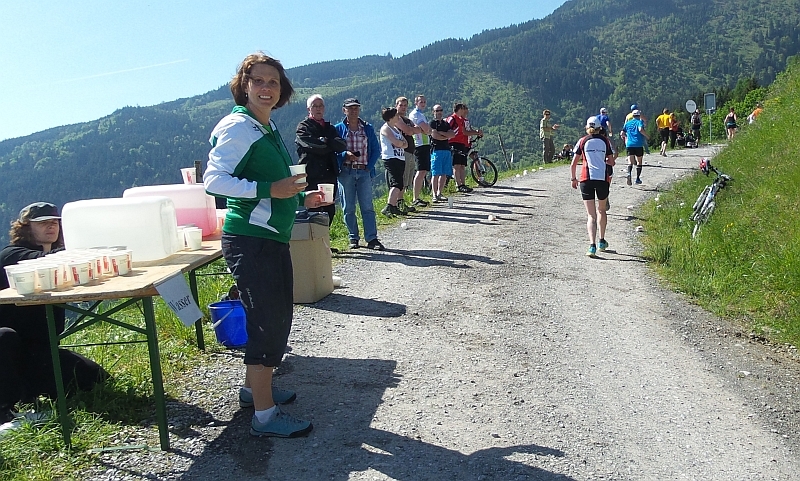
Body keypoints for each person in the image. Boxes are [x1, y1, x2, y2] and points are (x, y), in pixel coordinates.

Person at [204, 52, 329, 438]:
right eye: (257, 80)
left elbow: (273, 187)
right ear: (243, 85)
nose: (265, 88)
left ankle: (251, 391)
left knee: (273, 318)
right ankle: (264, 416)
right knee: (268, 323)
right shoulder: (238, 126)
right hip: (251, 240)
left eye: (273, 82)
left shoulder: (265, 127)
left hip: (269, 237)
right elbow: (213, 180)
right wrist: (268, 189)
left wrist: (297, 199)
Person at [0, 202, 107, 423]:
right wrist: (83, 247)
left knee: (95, 378)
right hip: (9, 351)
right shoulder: (11, 256)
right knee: (5, 337)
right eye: (43, 223)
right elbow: (42, 262)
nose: (51, 227)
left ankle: (28, 392)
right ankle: (5, 412)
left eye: (55, 222)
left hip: (39, 350)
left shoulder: (58, 260)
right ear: (26, 227)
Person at [334, 98, 384, 250]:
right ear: (344, 110)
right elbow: (333, 151)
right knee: (348, 207)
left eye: (356, 108)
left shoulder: (367, 128)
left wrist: (369, 167)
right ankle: (353, 237)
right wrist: (344, 155)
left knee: (367, 206)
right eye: (350, 108)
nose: (354, 110)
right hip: (346, 171)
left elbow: (376, 150)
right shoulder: (338, 129)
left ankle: (372, 238)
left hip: (363, 171)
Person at [295, 94, 347, 228]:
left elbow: (342, 145)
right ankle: (313, 244)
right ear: (309, 109)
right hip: (311, 175)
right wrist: (330, 145)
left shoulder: (330, 128)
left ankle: (324, 242)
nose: (318, 109)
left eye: (321, 106)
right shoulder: (303, 127)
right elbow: (312, 147)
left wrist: (325, 141)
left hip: (329, 173)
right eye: (315, 106)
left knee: (329, 209)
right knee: (313, 209)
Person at [571, 118, 615, 258]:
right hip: (602, 179)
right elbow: (612, 162)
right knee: (601, 210)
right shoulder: (605, 141)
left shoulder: (582, 141)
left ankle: (592, 246)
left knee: (591, 215)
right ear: (599, 128)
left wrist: (573, 178)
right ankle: (602, 241)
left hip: (585, 179)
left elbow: (573, 163)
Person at [379, 107, 409, 217]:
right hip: (391, 158)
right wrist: (400, 143)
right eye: (396, 115)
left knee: (400, 183)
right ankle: (389, 206)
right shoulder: (385, 128)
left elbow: (405, 143)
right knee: (396, 183)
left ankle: (394, 206)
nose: (398, 116)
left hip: (400, 158)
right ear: (391, 117)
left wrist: (400, 143)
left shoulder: (395, 129)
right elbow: (397, 142)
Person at [447, 103, 483, 192]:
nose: (466, 110)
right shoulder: (452, 118)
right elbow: (447, 129)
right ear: (460, 109)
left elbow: (464, 131)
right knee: (457, 165)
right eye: (464, 109)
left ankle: (463, 184)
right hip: (454, 143)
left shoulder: (461, 120)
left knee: (462, 165)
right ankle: (458, 185)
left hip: (462, 143)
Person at [394, 97, 421, 212]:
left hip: (410, 151)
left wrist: (411, 129)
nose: (403, 107)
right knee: (402, 178)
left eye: (405, 105)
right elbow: (411, 131)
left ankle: (401, 202)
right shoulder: (396, 118)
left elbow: (418, 129)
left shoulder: (406, 119)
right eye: (401, 105)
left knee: (406, 180)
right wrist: (411, 129)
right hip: (402, 152)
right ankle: (398, 204)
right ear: (396, 105)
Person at [408, 95, 433, 207]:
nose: (423, 104)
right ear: (416, 103)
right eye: (420, 102)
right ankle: (415, 198)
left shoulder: (421, 114)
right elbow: (427, 129)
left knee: (423, 171)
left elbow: (427, 130)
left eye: (424, 102)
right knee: (421, 171)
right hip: (420, 145)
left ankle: (417, 197)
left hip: (425, 144)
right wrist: (427, 130)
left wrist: (427, 130)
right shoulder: (415, 114)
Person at [428, 104, 456, 202]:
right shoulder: (432, 123)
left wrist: (442, 133)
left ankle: (440, 193)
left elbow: (452, 134)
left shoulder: (445, 123)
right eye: (437, 111)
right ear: (433, 112)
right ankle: (434, 195)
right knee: (435, 173)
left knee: (444, 173)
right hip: (436, 150)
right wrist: (445, 135)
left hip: (446, 150)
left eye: (440, 110)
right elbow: (435, 136)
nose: (439, 112)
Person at [620, 109, 649, 185]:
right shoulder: (639, 122)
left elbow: (622, 133)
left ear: (632, 115)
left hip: (629, 144)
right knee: (639, 162)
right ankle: (637, 179)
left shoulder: (627, 123)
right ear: (639, 115)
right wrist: (647, 136)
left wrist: (627, 137)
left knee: (630, 161)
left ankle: (629, 173)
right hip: (638, 144)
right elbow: (640, 129)